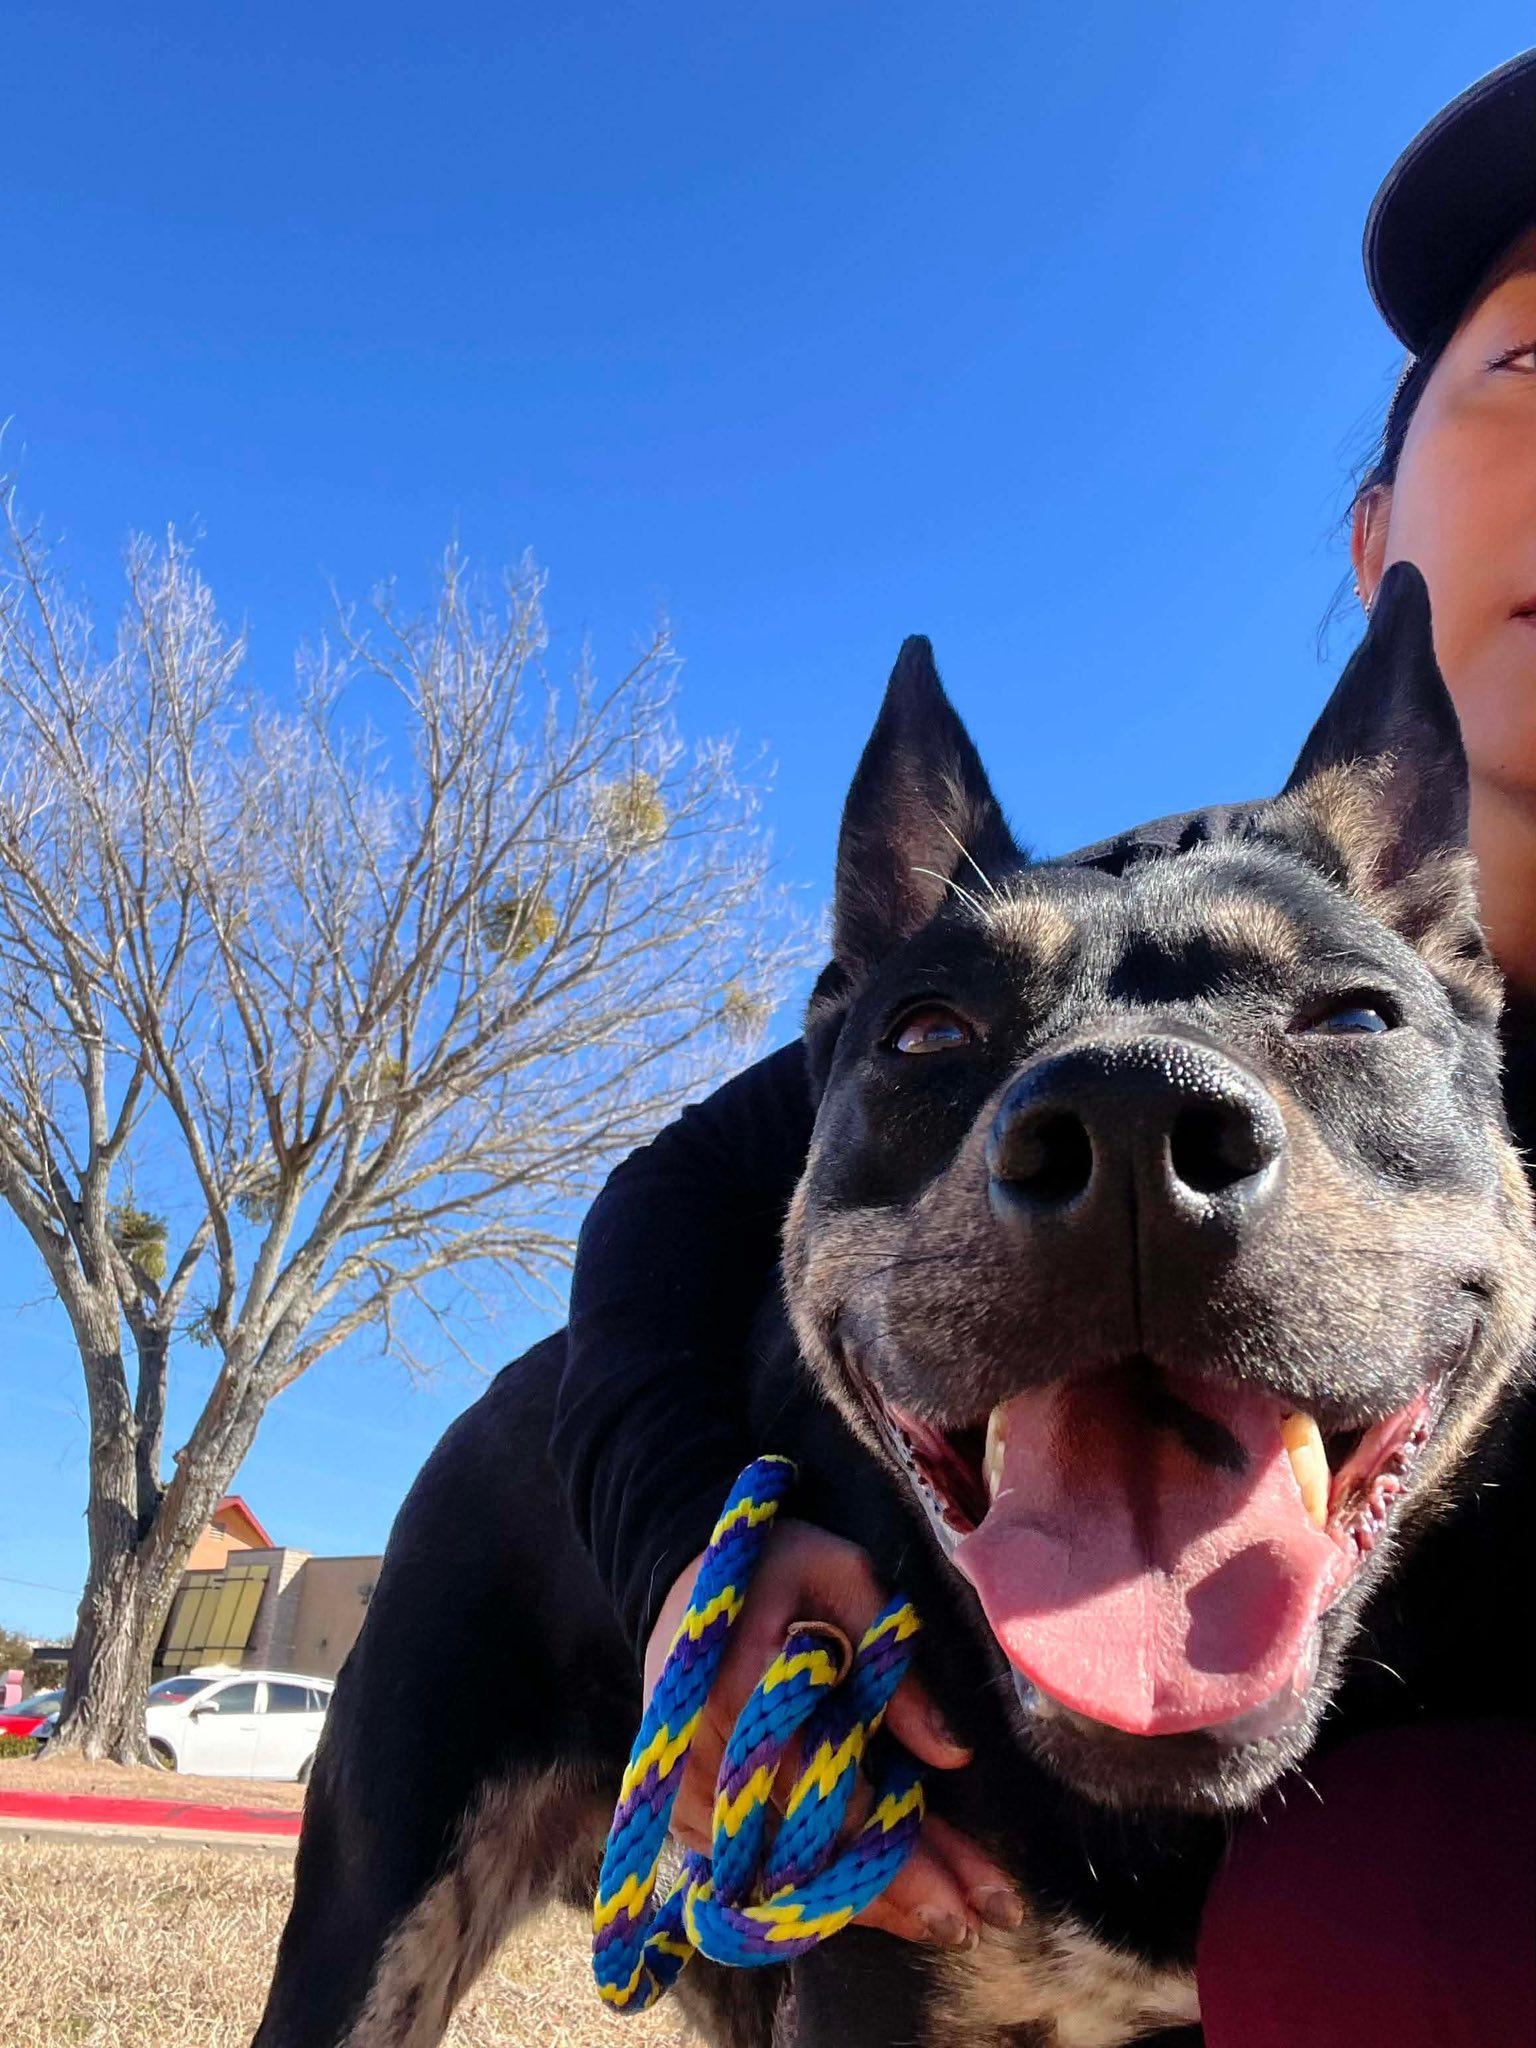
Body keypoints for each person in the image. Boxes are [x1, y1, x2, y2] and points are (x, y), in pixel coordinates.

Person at [550, 45, 1536, 2031]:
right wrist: (697, 1556)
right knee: (1383, 1916)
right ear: (1373, 539)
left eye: (1346, 1022)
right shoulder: (1124, 919)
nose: (1151, 1096)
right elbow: (670, 1205)